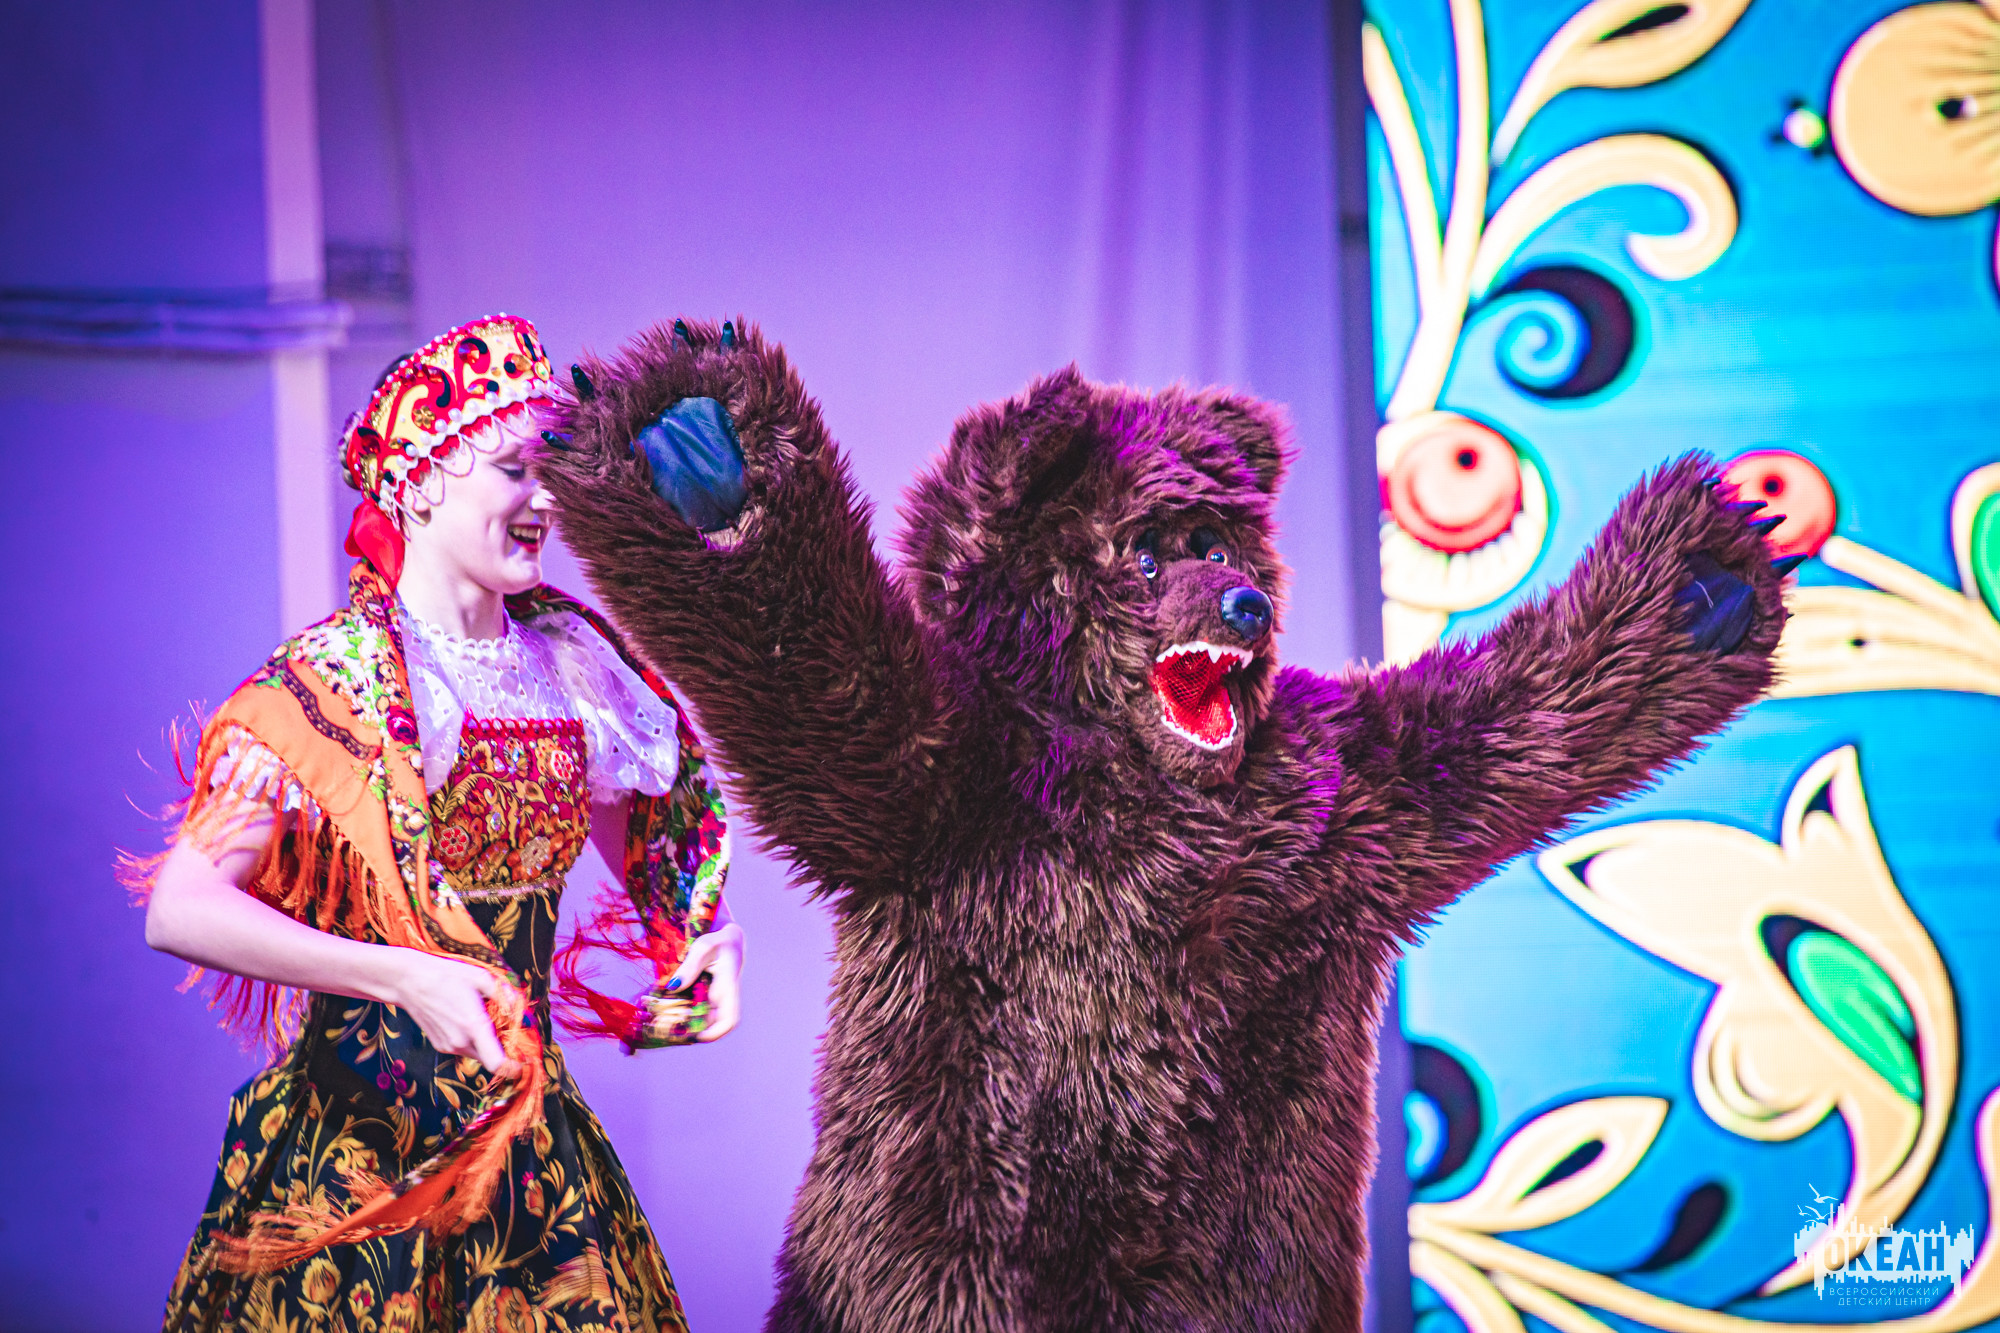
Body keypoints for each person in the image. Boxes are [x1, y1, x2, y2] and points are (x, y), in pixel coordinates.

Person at [134, 313, 740, 1333]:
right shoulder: (333, 680)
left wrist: (696, 946)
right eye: (514, 469)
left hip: (529, 1156)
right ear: (417, 483)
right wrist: (403, 974)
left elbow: (646, 866)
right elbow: (180, 907)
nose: (545, 498)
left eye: (550, 470)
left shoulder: (572, 669)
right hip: (357, 1157)